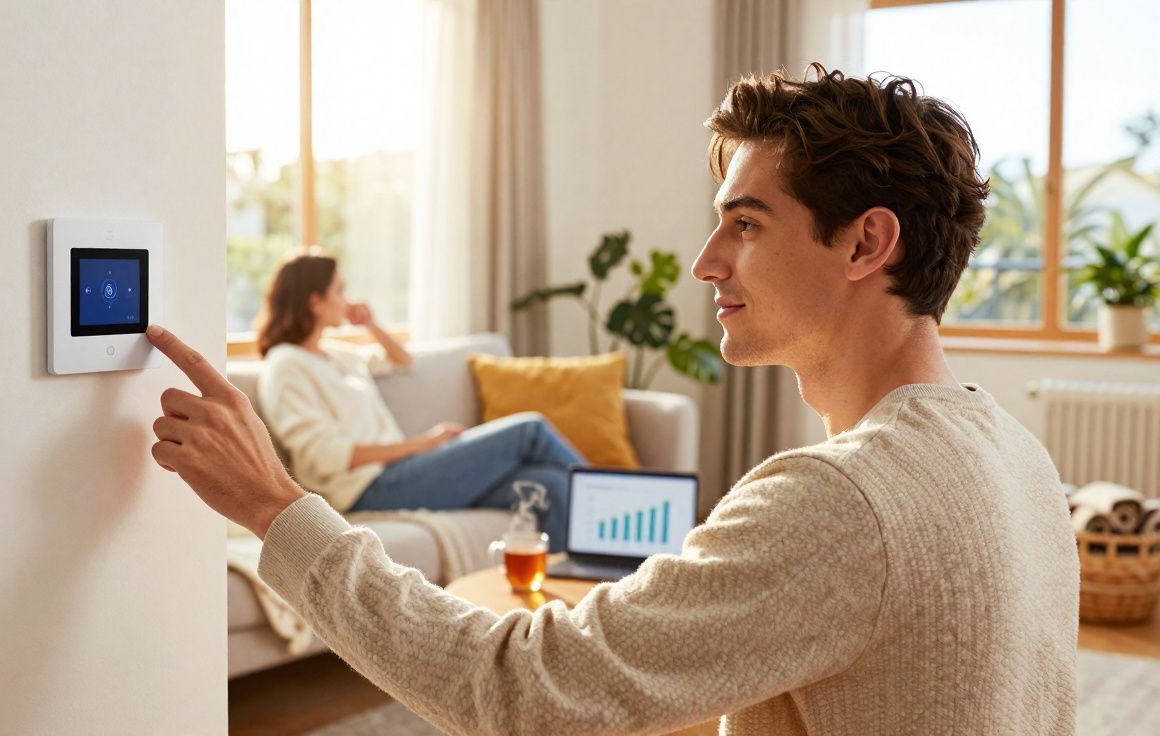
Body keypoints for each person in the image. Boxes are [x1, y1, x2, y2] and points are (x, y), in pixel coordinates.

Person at [145, 65, 1078, 735]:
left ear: (867, 244)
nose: (709, 263)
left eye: (745, 224)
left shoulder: (843, 503)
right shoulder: (1018, 456)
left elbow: (512, 690)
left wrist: (273, 506)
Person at [252, 249, 585, 551]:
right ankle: (618, 503)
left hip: (400, 472)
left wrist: (370, 323)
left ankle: (582, 598)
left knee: (549, 486)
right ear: (315, 301)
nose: (346, 299)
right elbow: (325, 457)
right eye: (339, 290)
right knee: (529, 430)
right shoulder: (285, 366)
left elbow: (402, 360)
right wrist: (422, 444)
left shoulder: (337, 357)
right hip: (369, 487)